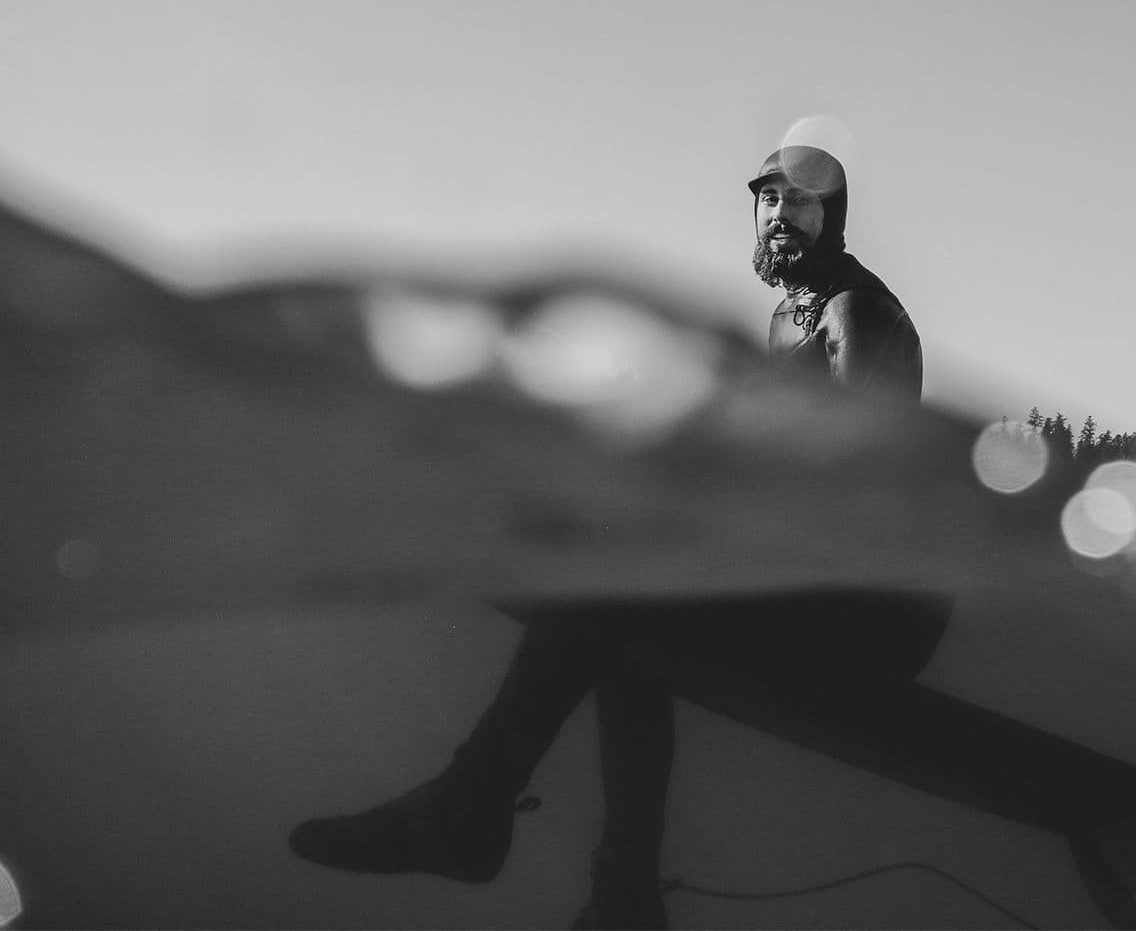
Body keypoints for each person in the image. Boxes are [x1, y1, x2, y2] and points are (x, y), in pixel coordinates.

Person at [289, 145, 950, 929]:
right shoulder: (789, 315)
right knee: (628, 602)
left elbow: (859, 493)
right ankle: (621, 888)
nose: (779, 211)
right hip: (809, 585)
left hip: (869, 615)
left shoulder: (855, 311)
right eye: (768, 196)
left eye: (801, 201)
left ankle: (478, 811)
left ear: (831, 217)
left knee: (619, 587)